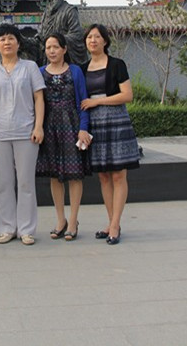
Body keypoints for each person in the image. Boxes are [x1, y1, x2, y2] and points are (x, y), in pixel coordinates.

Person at [0, 24, 45, 245]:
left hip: (26, 132)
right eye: (2, 39)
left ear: (18, 43)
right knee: (4, 183)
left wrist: (38, 126)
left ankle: (26, 229)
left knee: (26, 183)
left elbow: (39, 98)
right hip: (0, 133)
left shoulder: (30, 67)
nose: (6, 43)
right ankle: (7, 228)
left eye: (11, 38)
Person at [80, 23, 140, 245]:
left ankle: (115, 224)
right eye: (89, 37)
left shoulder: (117, 64)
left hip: (116, 121)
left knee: (118, 175)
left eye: (97, 37)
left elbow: (127, 95)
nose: (93, 40)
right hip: (95, 124)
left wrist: (97, 101)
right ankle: (111, 221)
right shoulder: (82, 68)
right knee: (104, 175)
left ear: (105, 41)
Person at [36, 33, 92, 241]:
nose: (51, 51)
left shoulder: (75, 71)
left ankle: (73, 220)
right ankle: (61, 220)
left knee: (74, 174)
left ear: (64, 49)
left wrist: (83, 128)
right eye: (48, 47)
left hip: (72, 126)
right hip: (49, 127)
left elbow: (83, 101)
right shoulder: (40, 72)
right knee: (54, 174)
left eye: (55, 47)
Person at [36, 0, 86, 65]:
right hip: (48, 60)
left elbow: (77, 35)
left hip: (65, 61)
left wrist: (56, 40)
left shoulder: (70, 11)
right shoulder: (46, 14)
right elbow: (41, 37)